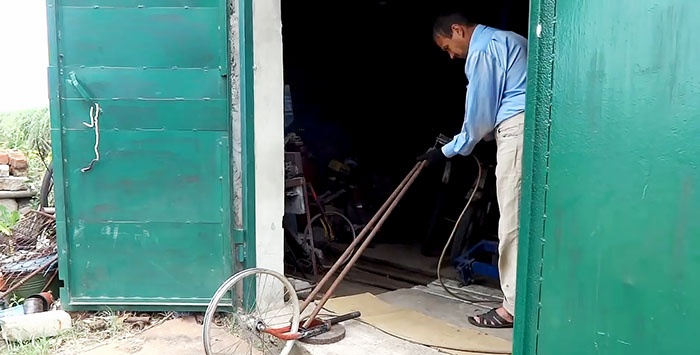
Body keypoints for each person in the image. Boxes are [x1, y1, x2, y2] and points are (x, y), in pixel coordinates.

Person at [417, 13, 528, 329]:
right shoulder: (510, 39)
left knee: (512, 221)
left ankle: (512, 309)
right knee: (528, 220)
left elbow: (478, 115)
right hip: (530, 129)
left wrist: (446, 151)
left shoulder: (483, 50)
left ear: (457, 30)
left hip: (516, 131)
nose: (451, 55)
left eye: (448, 47)